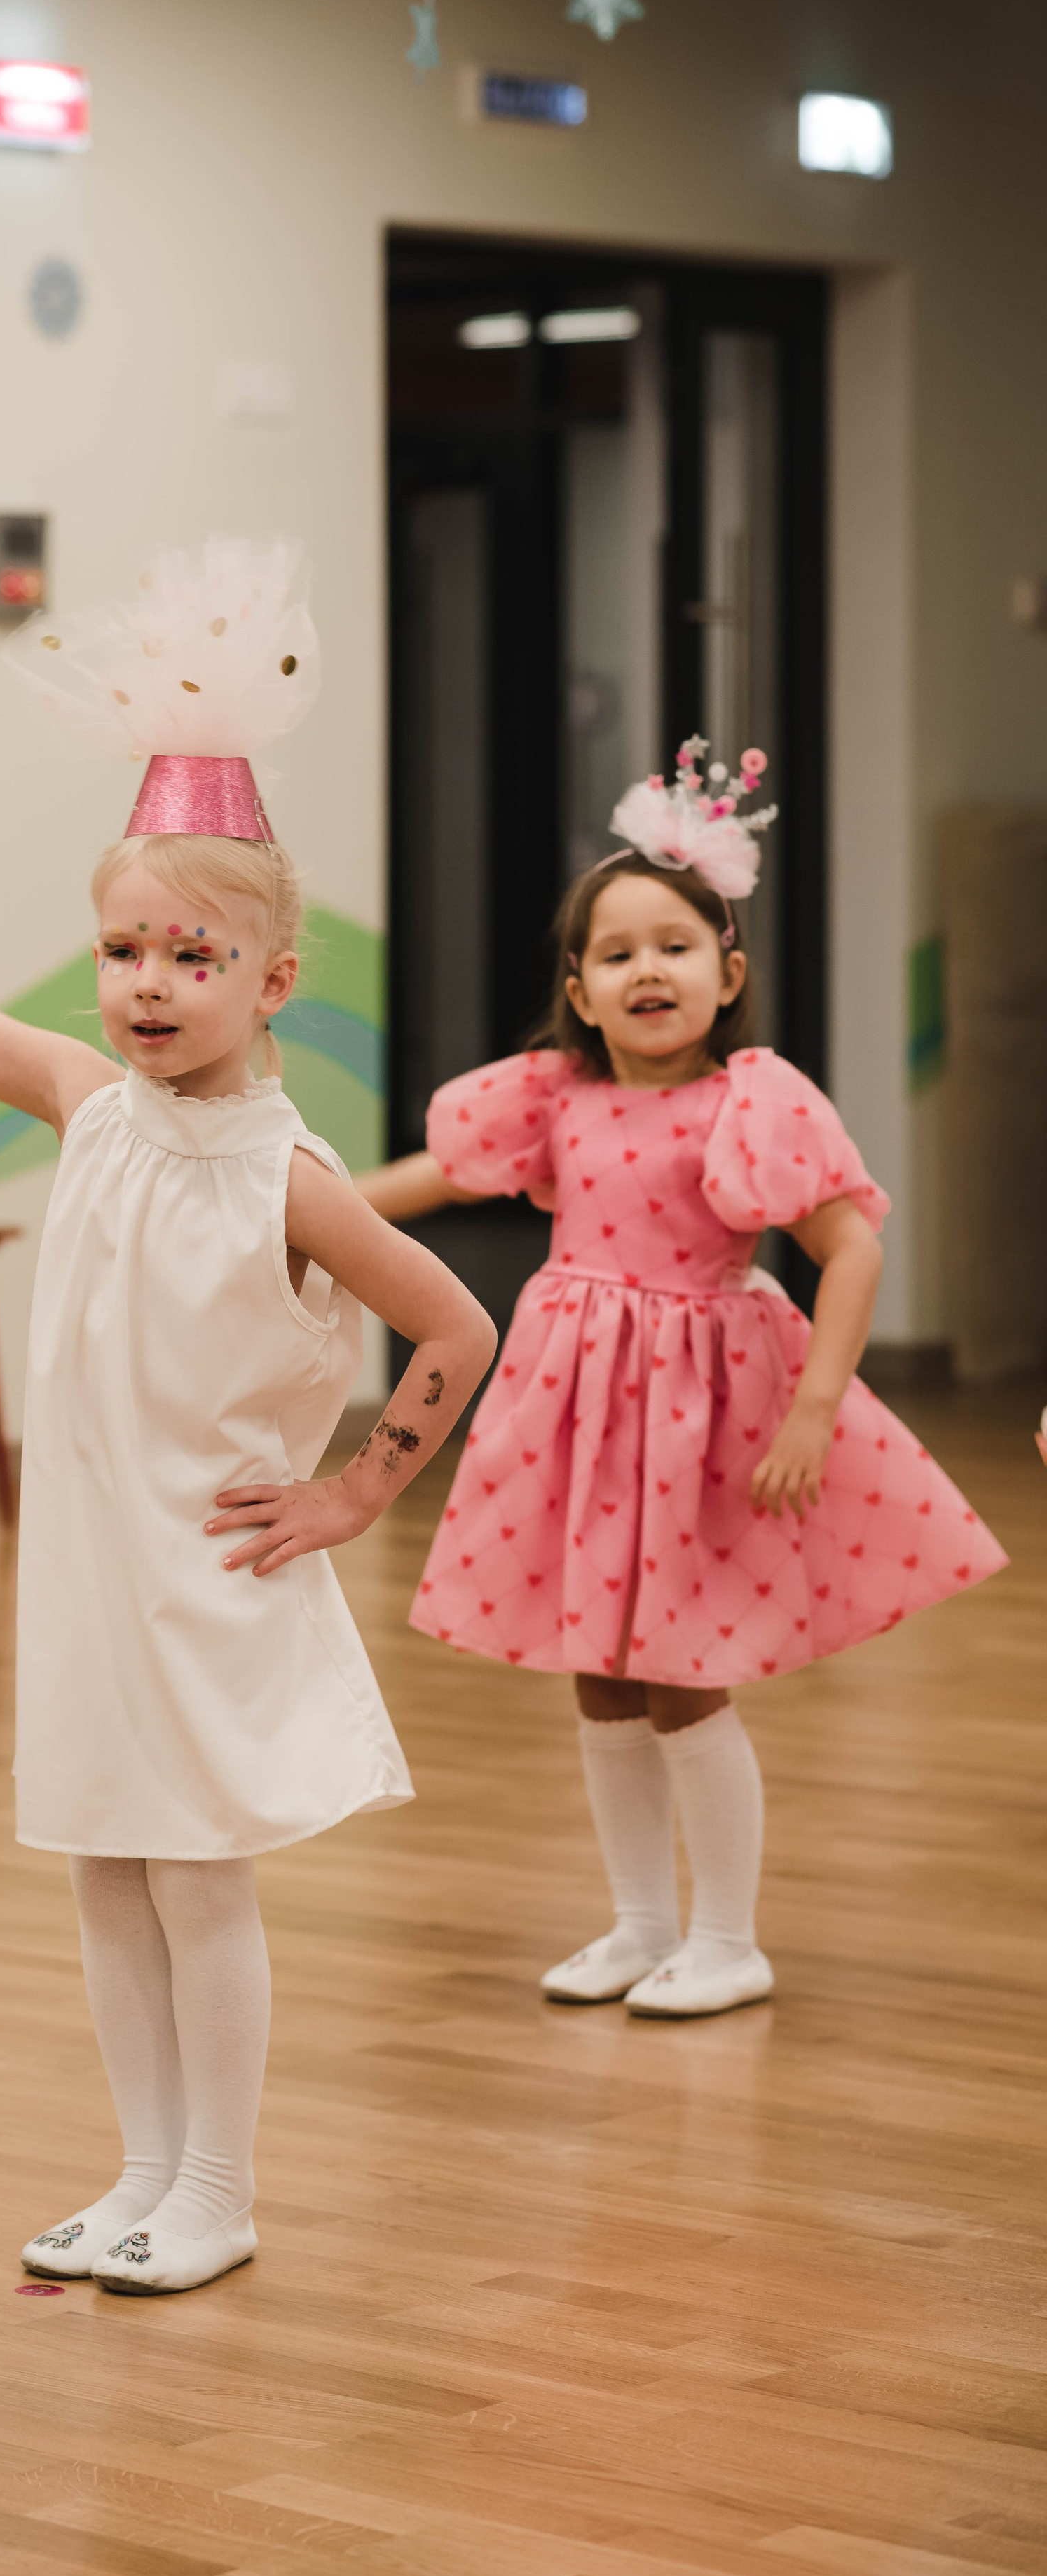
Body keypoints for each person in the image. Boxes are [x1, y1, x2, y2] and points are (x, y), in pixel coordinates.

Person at [0, 540, 494, 2291]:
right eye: (120, 948)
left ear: (270, 979)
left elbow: (454, 1320)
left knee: (199, 1879)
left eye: (189, 954)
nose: (143, 983)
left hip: (205, 1568)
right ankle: (139, 2171)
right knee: (101, 1870)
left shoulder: (288, 1176)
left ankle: (219, 2183)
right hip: (82, 1567)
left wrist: (356, 1493)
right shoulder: (87, 1102)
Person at [361, 740, 1005, 2020]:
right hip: (579, 1415)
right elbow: (427, 1185)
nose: (646, 968)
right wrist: (292, 1209)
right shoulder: (555, 1099)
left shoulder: (752, 1104)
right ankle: (640, 1924)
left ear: (729, 972)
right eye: (616, 953)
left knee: (682, 1669)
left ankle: (728, 1936)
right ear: (581, 990)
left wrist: (817, 1404)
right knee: (600, 1670)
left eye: (673, 944)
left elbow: (852, 1243)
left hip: (702, 1419)